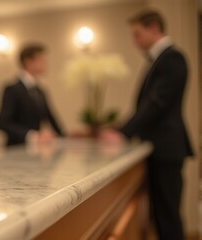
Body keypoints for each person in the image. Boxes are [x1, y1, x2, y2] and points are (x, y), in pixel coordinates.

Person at [99, 10, 193, 240]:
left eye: (137, 34)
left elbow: (156, 104)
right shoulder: (161, 59)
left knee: (168, 215)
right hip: (159, 148)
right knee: (160, 215)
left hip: (167, 149)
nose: (135, 41)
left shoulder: (173, 58)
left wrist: (123, 132)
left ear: (154, 28)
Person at [0, 44, 64, 146]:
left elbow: (51, 118)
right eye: (41, 59)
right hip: (15, 150)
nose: (45, 63)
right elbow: (3, 123)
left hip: (35, 151)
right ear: (28, 62)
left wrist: (65, 139)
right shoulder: (12, 89)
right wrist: (34, 136)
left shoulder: (40, 91)